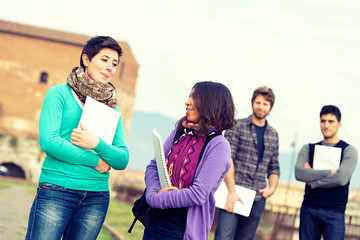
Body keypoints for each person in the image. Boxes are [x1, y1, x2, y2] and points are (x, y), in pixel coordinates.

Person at [25, 36, 130, 240]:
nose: (110, 67)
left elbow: (122, 159)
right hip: (57, 189)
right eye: (104, 60)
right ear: (86, 59)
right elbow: (50, 141)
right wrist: (96, 160)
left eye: (114, 63)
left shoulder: (112, 108)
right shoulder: (59, 94)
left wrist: (96, 144)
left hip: (96, 196)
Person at [143, 81, 236, 240]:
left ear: (211, 104)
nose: (187, 102)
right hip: (154, 223)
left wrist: (158, 199)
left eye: (195, 97)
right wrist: (151, 194)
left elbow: (198, 194)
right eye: (189, 96)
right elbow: (154, 166)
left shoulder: (219, 145)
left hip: (181, 232)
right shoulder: (179, 132)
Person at [214, 86, 279, 240]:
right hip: (235, 192)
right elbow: (227, 158)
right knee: (224, 237)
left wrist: (273, 188)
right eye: (258, 102)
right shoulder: (237, 126)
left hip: (258, 197)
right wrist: (231, 191)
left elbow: (274, 166)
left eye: (265, 104)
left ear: (271, 108)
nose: (261, 107)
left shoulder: (273, 134)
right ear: (252, 103)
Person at [295, 105, 358, 240]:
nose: (326, 125)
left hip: (334, 212)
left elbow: (341, 179)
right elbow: (299, 173)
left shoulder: (349, 151)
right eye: (323, 121)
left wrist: (313, 180)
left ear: (339, 124)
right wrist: (330, 172)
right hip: (309, 210)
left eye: (331, 121)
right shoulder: (308, 148)